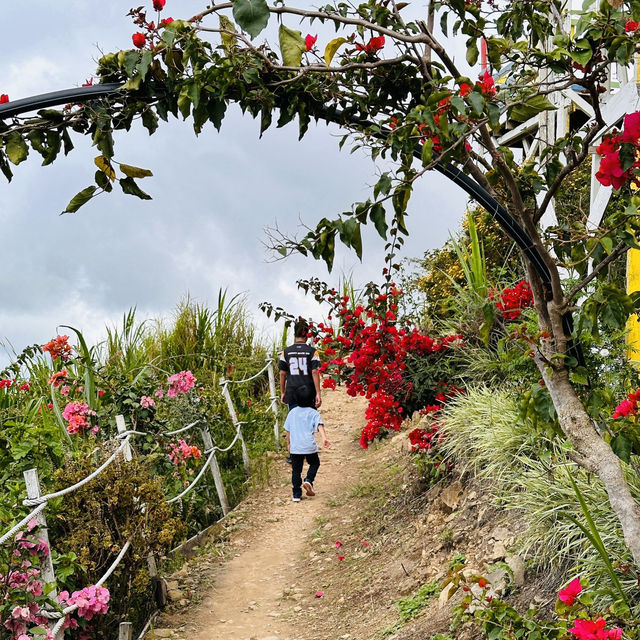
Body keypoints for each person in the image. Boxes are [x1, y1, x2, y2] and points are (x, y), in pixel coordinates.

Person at [284, 384, 331, 502]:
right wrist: (324, 438)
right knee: (315, 463)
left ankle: (296, 494)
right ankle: (309, 480)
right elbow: (319, 425)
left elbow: (288, 430)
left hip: (295, 447)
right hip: (309, 445)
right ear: (311, 399)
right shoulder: (313, 413)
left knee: (296, 470)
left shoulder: (292, 413)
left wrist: (288, 444)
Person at [279, 318, 322, 410]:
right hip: (309, 393)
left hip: (292, 393)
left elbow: (282, 373)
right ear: (307, 335)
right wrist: (318, 393)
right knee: (310, 420)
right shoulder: (313, 352)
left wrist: (283, 392)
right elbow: (315, 372)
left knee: (295, 419)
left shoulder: (286, 352)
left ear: (294, 335)